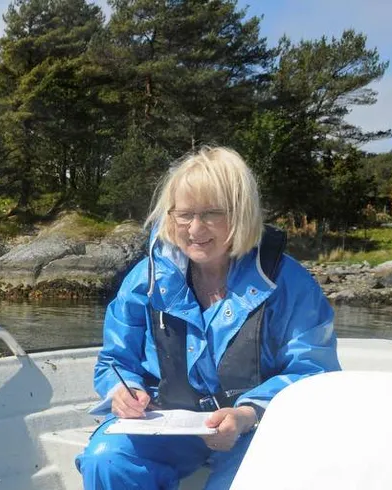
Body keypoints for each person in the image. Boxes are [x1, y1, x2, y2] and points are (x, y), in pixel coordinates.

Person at [74, 146, 341, 489]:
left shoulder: (291, 284)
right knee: (108, 459)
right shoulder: (145, 279)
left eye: (212, 214)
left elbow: (314, 374)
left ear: (241, 213)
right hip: (169, 424)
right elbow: (114, 360)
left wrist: (246, 414)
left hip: (255, 430)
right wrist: (125, 392)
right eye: (184, 215)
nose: (195, 229)